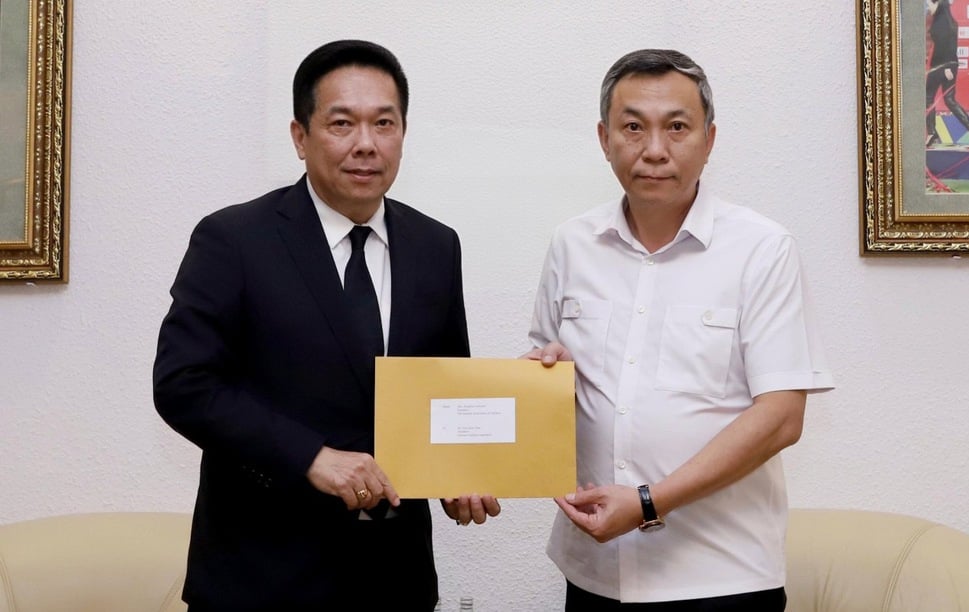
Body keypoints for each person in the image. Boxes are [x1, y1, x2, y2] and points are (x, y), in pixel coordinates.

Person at [153, 40, 498, 611]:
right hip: (263, 578)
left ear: (403, 133)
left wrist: (457, 472)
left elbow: (442, 390)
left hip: (396, 580)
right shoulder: (234, 240)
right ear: (300, 136)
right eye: (342, 123)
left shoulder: (436, 246)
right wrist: (310, 456)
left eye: (384, 123)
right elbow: (183, 385)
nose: (366, 143)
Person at [525, 49, 834, 611]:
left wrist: (649, 501)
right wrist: (542, 383)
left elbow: (782, 418)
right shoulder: (572, 244)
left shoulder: (762, 249)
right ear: (604, 138)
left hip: (721, 579)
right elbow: (551, 381)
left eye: (676, 127)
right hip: (594, 574)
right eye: (633, 127)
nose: (654, 150)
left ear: (709, 140)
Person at [926, 0, 969, 146]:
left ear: (939, 4)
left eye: (931, 4)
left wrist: (946, 68)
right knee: (949, 99)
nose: (929, 7)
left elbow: (947, 46)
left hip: (941, 66)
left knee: (928, 97)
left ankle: (932, 133)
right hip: (949, 65)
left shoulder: (941, 23)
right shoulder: (949, 21)